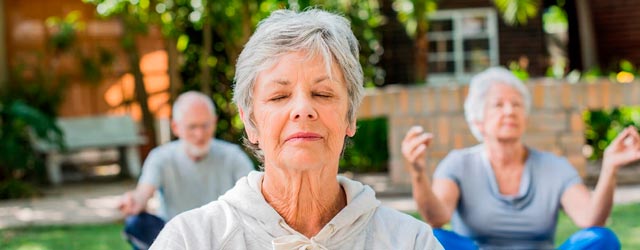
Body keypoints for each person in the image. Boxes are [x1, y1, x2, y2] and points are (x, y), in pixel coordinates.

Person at [150, 9, 443, 249]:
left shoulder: (410, 241)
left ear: (350, 118)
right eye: (279, 96)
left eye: (323, 94)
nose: (303, 109)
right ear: (251, 123)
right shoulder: (191, 240)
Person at [402, 67, 640, 250]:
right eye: (498, 105)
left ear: (525, 117)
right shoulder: (458, 164)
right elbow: (437, 217)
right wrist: (417, 172)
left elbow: (591, 219)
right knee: (433, 237)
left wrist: (609, 167)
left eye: (516, 104)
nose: (510, 111)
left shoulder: (554, 167)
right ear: (477, 120)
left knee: (601, 239)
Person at [119, 91, 254, 249]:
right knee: (136, 223)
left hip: (222, 237)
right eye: (192, 127)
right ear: (176, 127)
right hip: (175, 239)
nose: (200, 134)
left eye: (205, 125)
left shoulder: (233, 156)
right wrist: (134, 201)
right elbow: (143, 193)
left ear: (214, 122)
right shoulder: (160, 157)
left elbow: (251, 199)